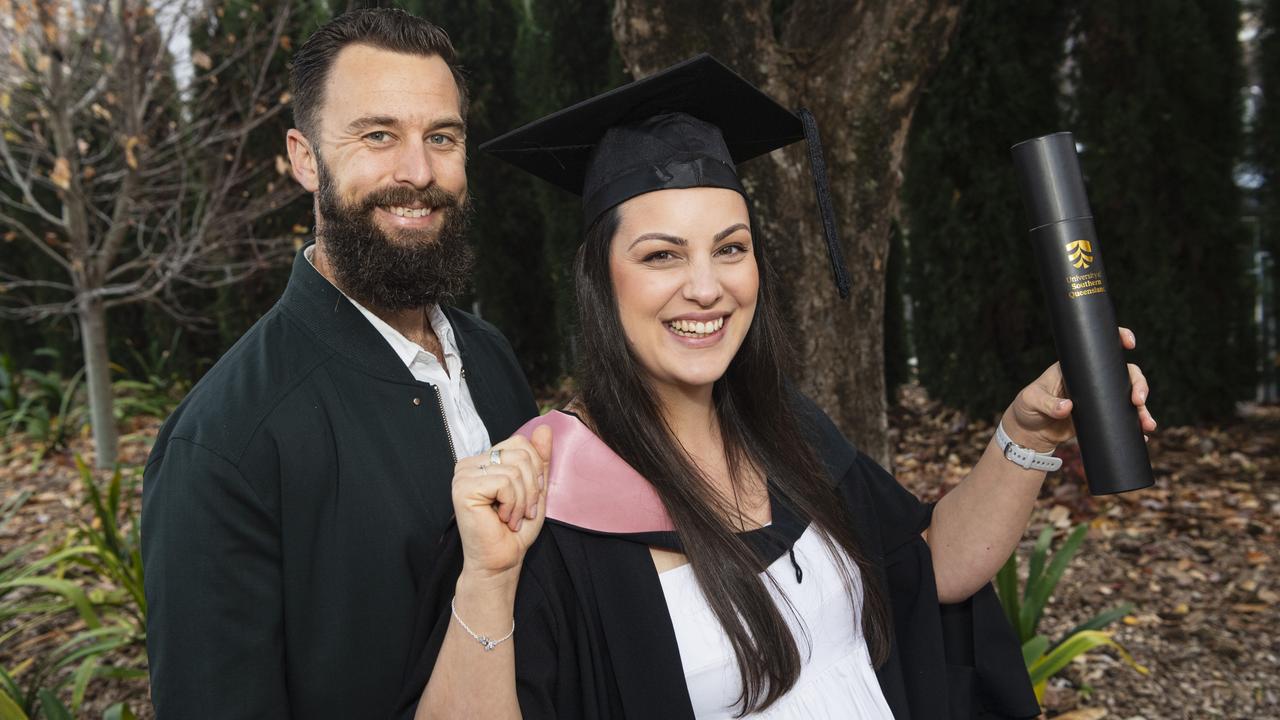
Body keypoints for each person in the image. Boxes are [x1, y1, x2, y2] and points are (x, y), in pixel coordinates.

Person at [399, 55, 1157, 719]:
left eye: (730, 248)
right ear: (601, 281)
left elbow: (930, 570)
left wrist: (1025, 433)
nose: (707, 287)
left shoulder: (783, 428)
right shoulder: (552, 500)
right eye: (662, 256)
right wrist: (488, 582)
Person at [141, 9, 551, 718]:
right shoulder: (224, 445)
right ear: (305, 158)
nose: (418, 172)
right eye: (378, 135)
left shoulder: (488, 356)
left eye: (442, 138)